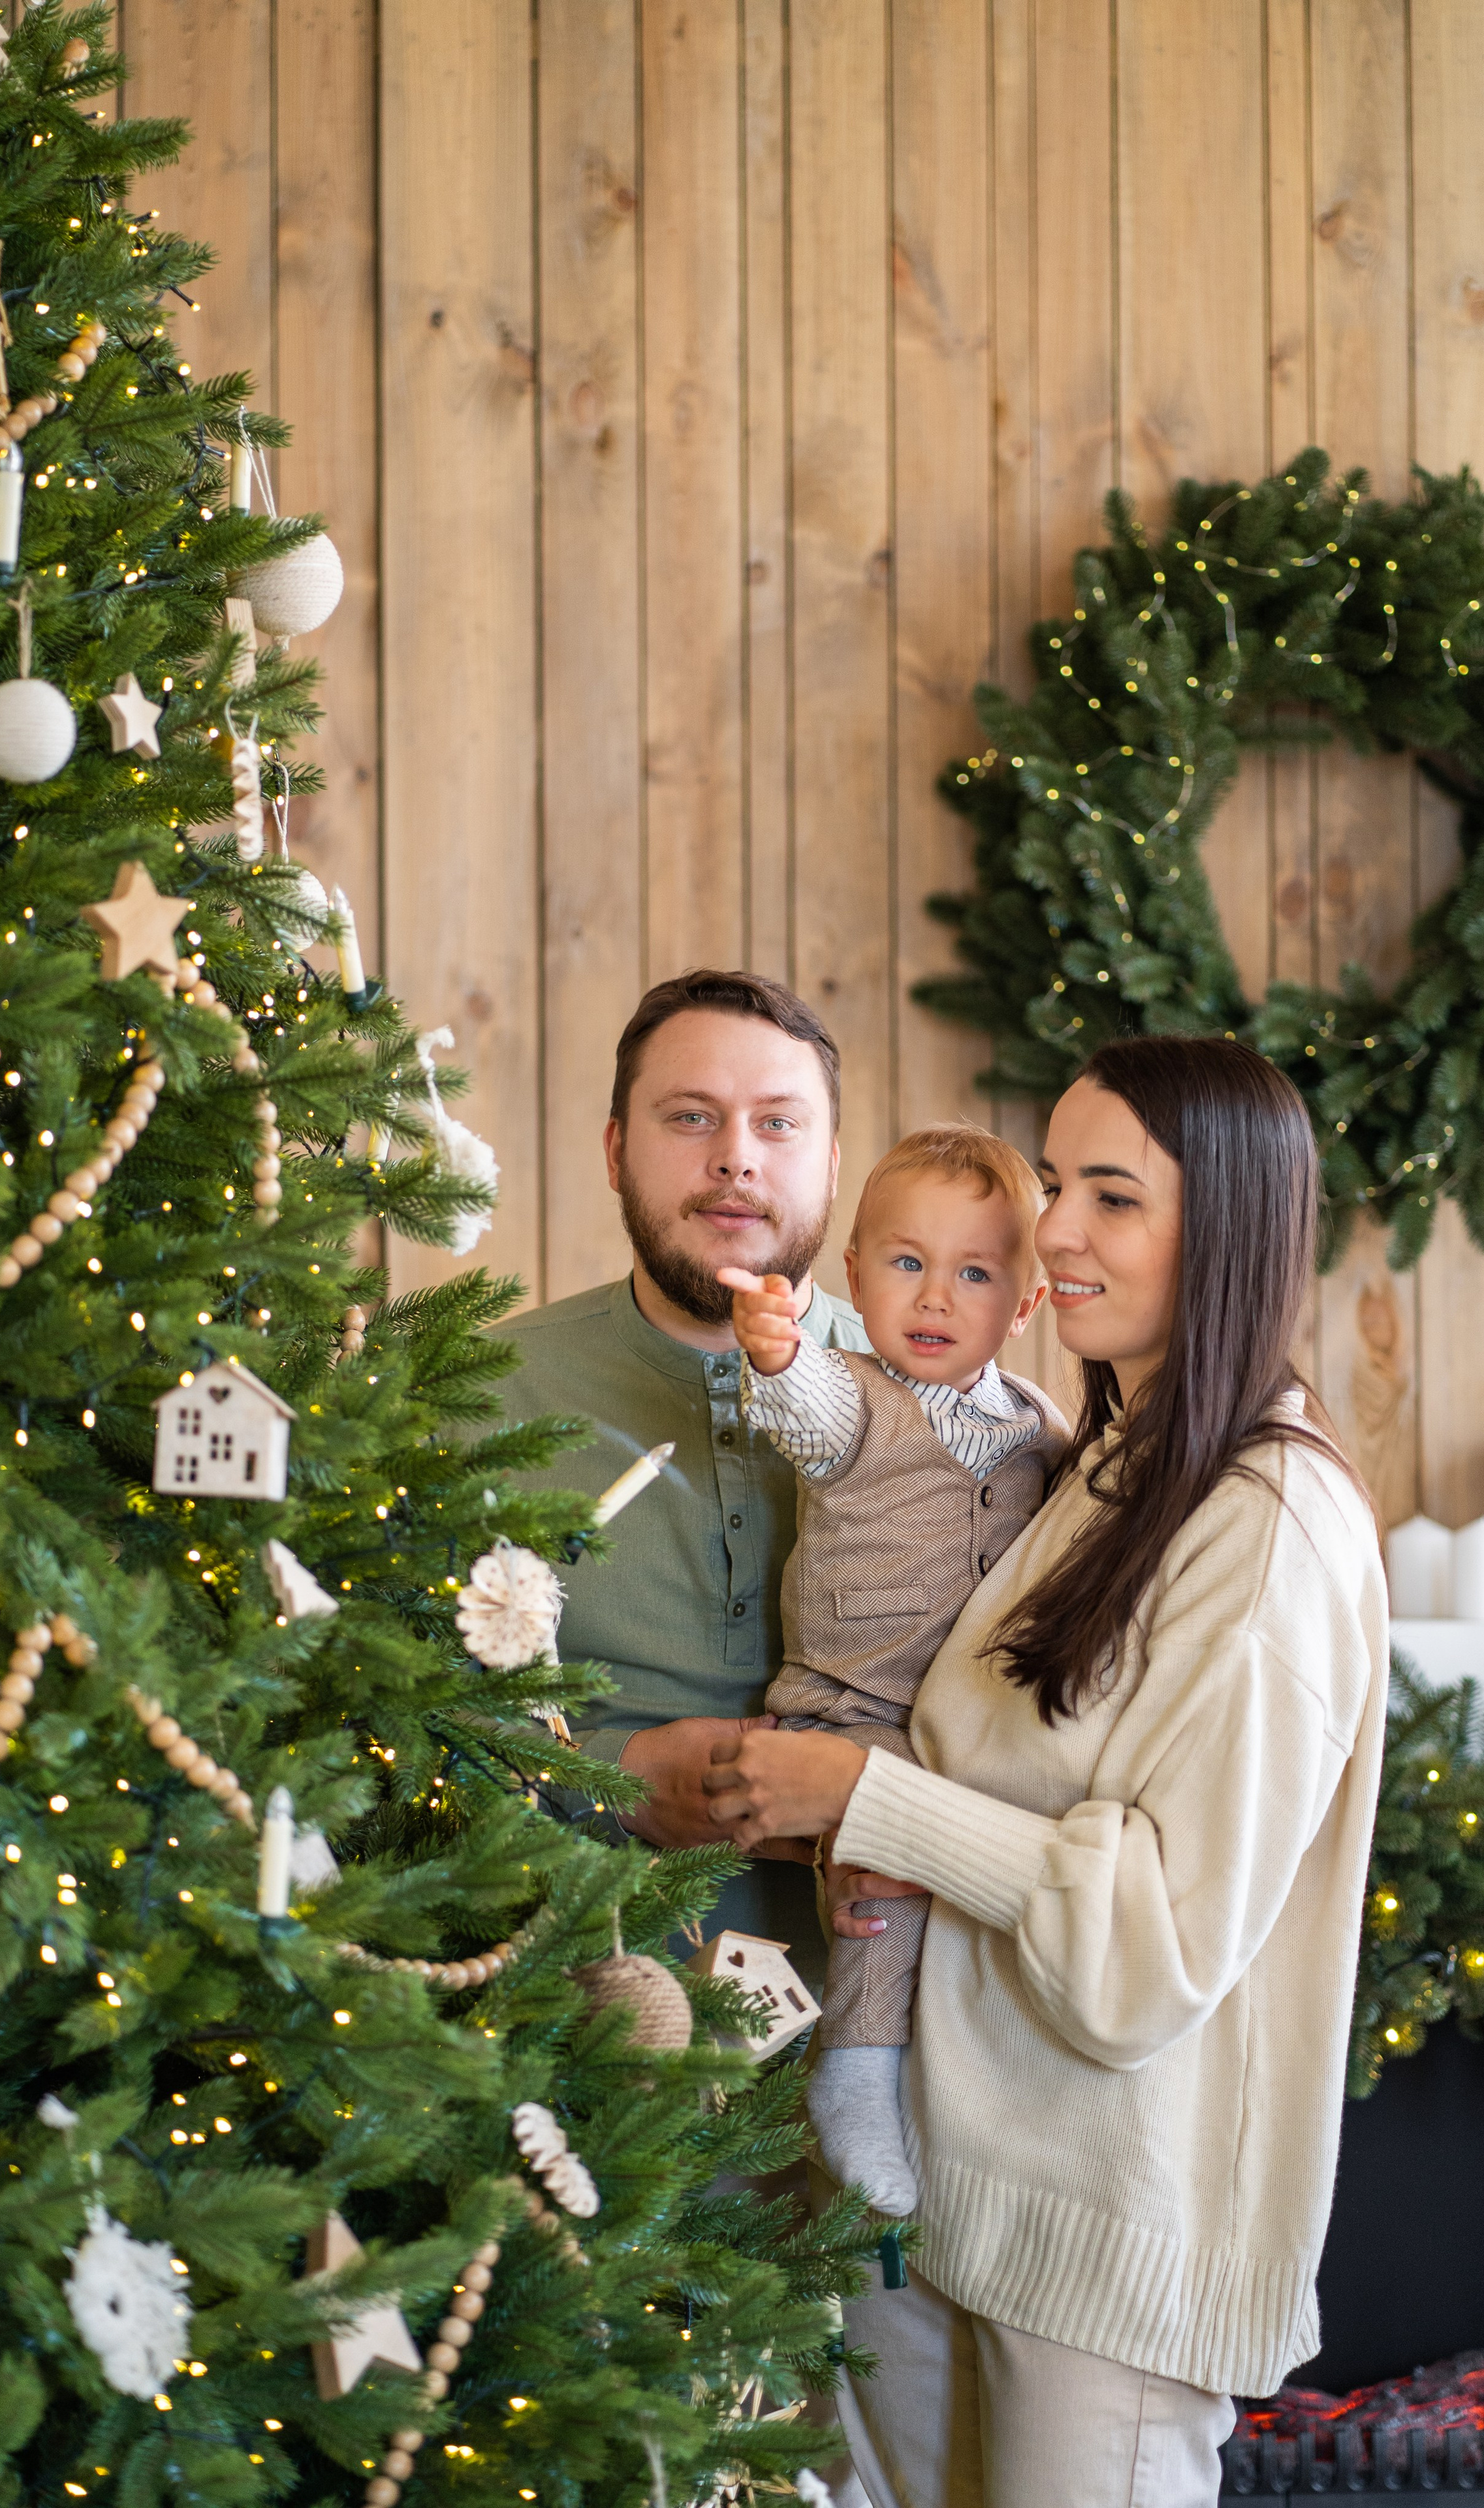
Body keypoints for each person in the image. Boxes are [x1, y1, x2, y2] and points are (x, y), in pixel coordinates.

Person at [701, 1036, 1390, 2508]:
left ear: (1229, 1232)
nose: (1052, 1232)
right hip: (958, 2200)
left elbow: (1150, 1945)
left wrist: (863, 1799)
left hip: (1102, 2252)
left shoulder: (1268, 1528)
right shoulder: (1095, 1463)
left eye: (1113, 1198)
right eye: (1056, 1181)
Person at [718, 1124, 1066, 2218]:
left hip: (976, 1724)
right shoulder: (854, 1398)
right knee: (878, 1883)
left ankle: (968, 2076)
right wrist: (775, 1350)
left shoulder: (1043, 1430)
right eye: (906, 1263)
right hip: (852, 1707)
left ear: (1025, 1305)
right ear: (855, 1276)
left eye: (974, 1273)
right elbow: (802, 1408)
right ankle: (855, 2064)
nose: (934, 1296)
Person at [503, 968, 868, 1979]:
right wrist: (606, 1778)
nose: (735, 1158)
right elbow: (377, 1714)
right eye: (692, 1116)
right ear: (617, 1150)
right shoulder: (475, 1396)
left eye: (779, 1125)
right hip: (561, 2049)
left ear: (833, 1165)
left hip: (890, 2062)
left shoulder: (944, 1414)